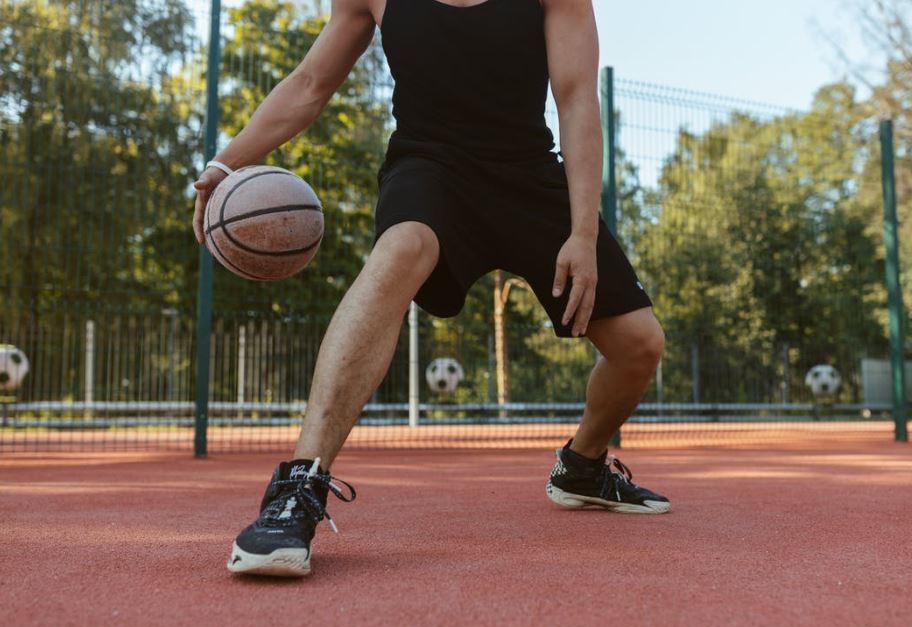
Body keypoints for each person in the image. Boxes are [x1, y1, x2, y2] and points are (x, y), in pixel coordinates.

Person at [193, 0, 669, 578]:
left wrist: (583, 233)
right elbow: (310, 82)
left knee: (640, 345)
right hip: (429, 169)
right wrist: (225, 163)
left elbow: (574, 98)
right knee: (401, 249)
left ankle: (583, 466)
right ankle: (296, 489)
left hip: (528, 175)